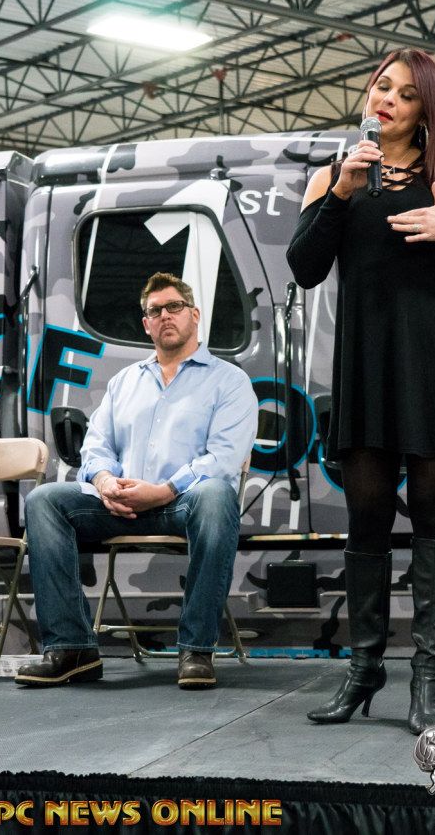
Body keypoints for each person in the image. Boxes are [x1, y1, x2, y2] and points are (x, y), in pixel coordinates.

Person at [287, 48, 435, 735]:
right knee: (367, 518)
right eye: (383, 86)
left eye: (407, 94)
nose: (388, 100)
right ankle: (364, 668)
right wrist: (342, 193)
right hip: (368, 365)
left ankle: (427, 678)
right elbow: (304, 267)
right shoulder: (333, 175)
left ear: (425, 110)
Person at [15, 272, 258, 689]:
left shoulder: (229, 381)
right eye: (155, 311)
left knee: (218, 494)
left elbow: (223, 458)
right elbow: (95, 448)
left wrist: (163, 491)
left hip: (184, 504)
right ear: (146, 324)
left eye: (174, 307)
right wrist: (105, 482)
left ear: (195, 315)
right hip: (122, 504)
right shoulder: (124, 382)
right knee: (45, 500)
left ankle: (196, 649)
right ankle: (73, 649)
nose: (165, 316)